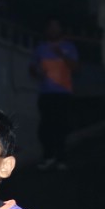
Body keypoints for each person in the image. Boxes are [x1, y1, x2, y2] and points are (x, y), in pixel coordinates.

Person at [29, 18, 79, 170]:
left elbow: (76, 68)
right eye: (50, 27)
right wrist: (38, 72)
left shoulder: (69, 47)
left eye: (56, 27)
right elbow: (32, 68)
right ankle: (48, 156)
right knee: (46, 126)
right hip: (46, 93)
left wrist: (62, 55)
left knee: (62, 125)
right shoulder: (40, 48)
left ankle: (61, 157)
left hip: (63, 93)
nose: (53, 30)